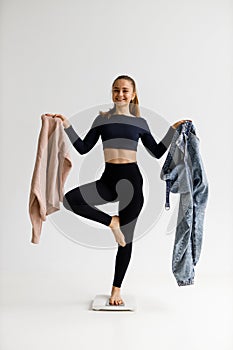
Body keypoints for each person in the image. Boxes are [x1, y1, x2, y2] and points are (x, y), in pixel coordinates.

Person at [45, 74, 191, 305]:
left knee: (125, 240)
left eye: (125, 90)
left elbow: (156, 151)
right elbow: (83, 148)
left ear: (133, 94)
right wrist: (67, 126)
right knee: (71, 200)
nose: (120, 94)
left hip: (132, 183)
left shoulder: (140, 123)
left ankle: (116, 290)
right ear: (111, 93)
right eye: (116, 90)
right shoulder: (102, 120)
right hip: (107, 180)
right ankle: (111, 223)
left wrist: (172, 130)